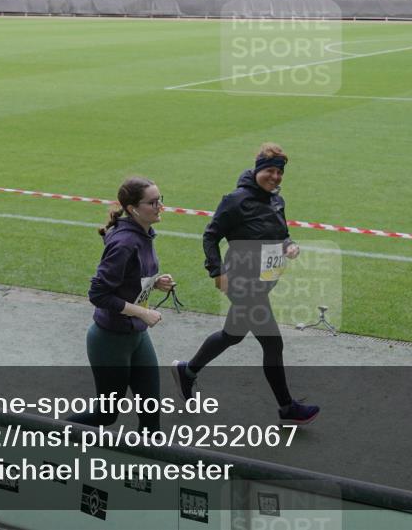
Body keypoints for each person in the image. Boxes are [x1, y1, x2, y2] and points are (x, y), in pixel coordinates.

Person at [172, 143, 319, 425]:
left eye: (279, 172)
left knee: (233, 334)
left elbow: (282, 233)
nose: (275, 177)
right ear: (257, 170)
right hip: (240, 281)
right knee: (273, 343)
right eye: (270, 171)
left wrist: (289, 246)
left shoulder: (277, 200)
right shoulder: (236, 200)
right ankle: (287, 409)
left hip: (263, 282)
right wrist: (216, 271)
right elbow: (210, 236)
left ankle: (186, 371)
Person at [72, 177, 173, 431]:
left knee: (151, 418)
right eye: (152, 202)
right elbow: (98, 294)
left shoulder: (144, 233)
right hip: (110, 341)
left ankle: (147, 470)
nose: (160, 206)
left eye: (160, 200)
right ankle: (42, 434)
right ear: (132, 209)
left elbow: (130, 279)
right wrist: (143, 312)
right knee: (105, 416)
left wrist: (155, 282)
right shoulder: (124, 243)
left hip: (136, 336)